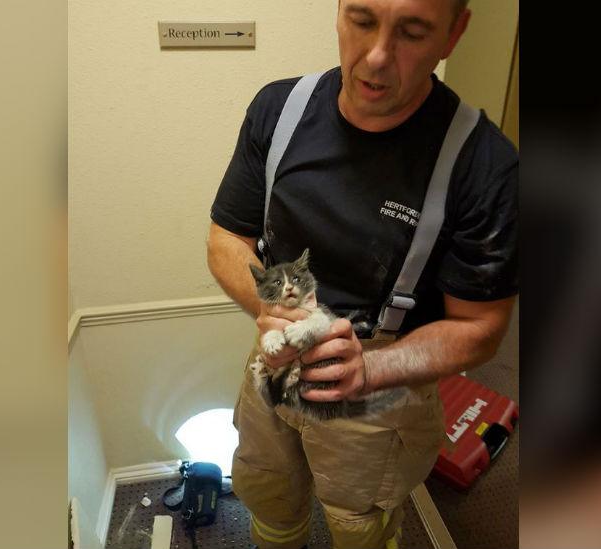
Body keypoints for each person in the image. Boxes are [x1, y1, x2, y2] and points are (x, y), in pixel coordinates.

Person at [206, 0, 517, 547]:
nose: (376, 57)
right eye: (363, 19)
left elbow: (482, 328)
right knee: (268, 495)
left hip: (384, 375)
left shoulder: (484, 166)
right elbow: (226, 240)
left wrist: (370, 371)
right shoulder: (278, 109)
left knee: (359, 524)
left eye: (413, 31)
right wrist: (276, 311)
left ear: (454, 33)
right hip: (275, 355)